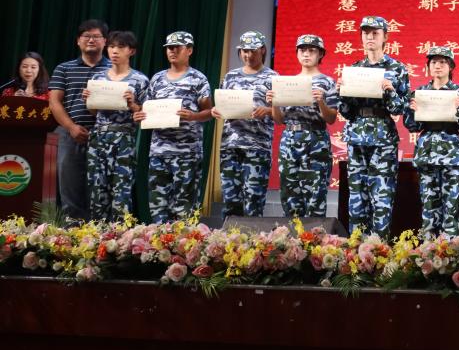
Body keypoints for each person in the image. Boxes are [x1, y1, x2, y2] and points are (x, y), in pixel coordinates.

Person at [338, 15, 410, 237]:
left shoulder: (397, 68)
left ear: (385, 37)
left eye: (375, 33)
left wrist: (390, 91)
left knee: (382, 197)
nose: (370, 37)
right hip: (356, 136)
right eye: (366, 33)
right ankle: (356, 249)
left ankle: (380, 250)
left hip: (383, 137)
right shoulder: (354, 69)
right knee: (356, 196)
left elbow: (400, 109)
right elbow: (346, 111)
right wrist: (342, 92)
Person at [134, 31, 213, 223]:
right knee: (158, 206)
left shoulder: (198, 79)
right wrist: (139, 115)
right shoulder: (157, 79)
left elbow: (209, 112)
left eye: (177, 47)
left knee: (185, 208)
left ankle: (183, 241)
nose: (172, 51)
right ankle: (160, 240)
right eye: (169, 48)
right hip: (159, 152)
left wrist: (193, 116)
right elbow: (147, 109)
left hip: (187, 153)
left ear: (189, 50)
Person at [403, 46, 459, 237]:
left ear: (451, 67)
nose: (438, 66)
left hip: (453, 156)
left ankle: (450, 251)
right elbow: (411, 126)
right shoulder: (419, 93)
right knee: (428, 208)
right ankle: (429, 251)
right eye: (434, 62)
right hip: (427, 154)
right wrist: (411, 110)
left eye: (443, 62)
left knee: (452, 208)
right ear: (428, 66)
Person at [269, 35, 340, 218]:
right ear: (297, 53)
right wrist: (274, 103)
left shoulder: (327, 82)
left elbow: (331, 118)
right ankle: (291, 234)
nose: (306, 54)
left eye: (311, 50)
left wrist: (321, 101)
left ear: (320, 54)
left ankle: (315, 235)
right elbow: (279, 120)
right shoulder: (287, 83)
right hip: (290, 140)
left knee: (316, 192)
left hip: (316, 140)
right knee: (289, 192)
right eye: (302, 50)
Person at [48, 19, 111, 221]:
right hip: (69, 134)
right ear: (78, 41)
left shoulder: (114, 69)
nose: (91, 40)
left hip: (105, 135)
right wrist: (71, 127)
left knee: (103, 188)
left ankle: (103, 235)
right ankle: (73, 234)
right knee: (69, 188)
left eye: (96, 36)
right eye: (86, 36)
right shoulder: (63, 68)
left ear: (105, 41)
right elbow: (54, 102)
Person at [83, 31, 147, 223]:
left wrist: (133, 104)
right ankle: (96, 235)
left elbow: (144, 115)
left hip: (124, 138)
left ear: (131, 51)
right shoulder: (98, 78)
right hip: (99, 137)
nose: (114, 51)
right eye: (111, 47)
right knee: (97, 189)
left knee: (122, 191)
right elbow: (94, 112)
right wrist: (88, 100)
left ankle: (120, 237)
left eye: (120, 47)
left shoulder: (140, 80)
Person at [211, 31, 277, 217]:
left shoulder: (273, 77)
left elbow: (282, 114)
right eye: (244, 51)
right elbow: (222, 105)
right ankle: (229, 236)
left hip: (257, 146)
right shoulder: (230, 77)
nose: (248, 55)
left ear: (262, 50)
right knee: (230, 200)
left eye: (252, 51)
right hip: (230, 146)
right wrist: (216, 110)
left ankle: (252, 236)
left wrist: (267, 111)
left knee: (254, 200)